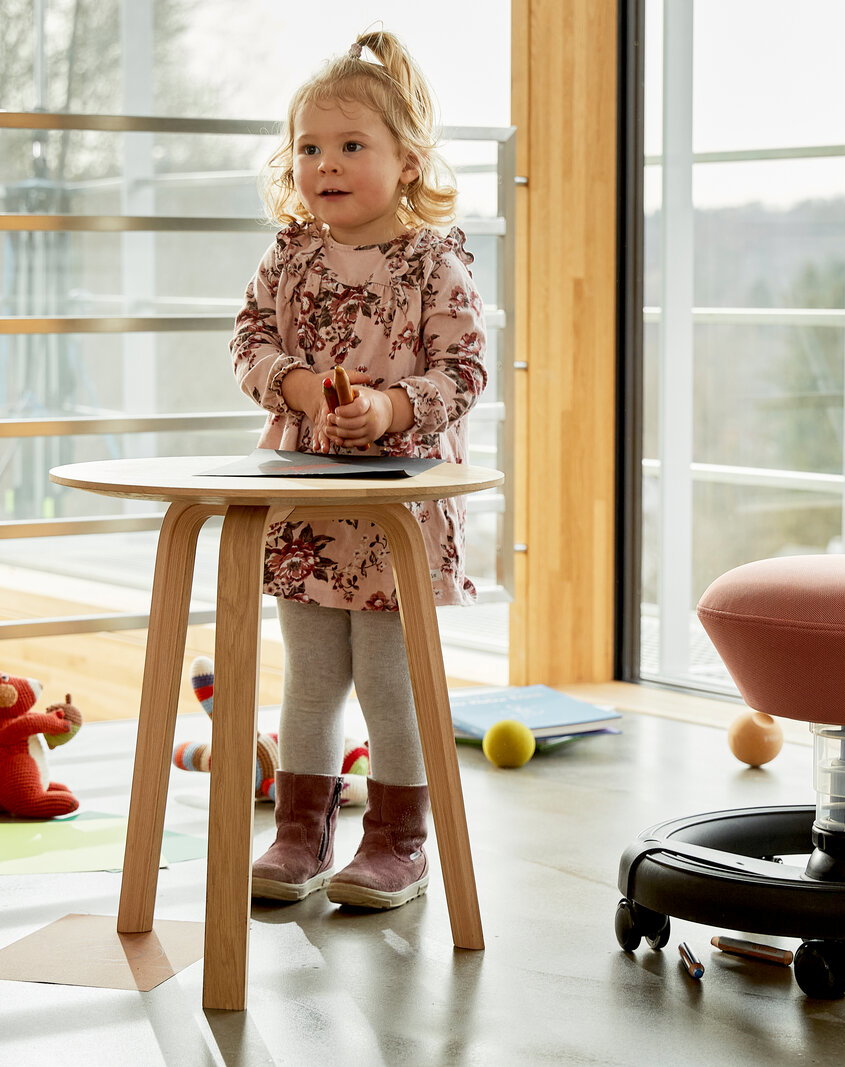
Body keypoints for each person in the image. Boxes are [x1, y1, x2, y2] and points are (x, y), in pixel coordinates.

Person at [230, 28, 486, 911]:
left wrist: (388, 409)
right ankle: (299, 833)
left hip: (395, 511)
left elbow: (464, 372)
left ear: (408, 161)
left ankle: (398, 842)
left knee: (388, 680)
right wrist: (298, 386)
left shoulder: (434, 262)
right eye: (308, 148)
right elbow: (248, 341)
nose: (324, 165)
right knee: (309, 677)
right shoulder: (289, 256)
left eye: (349, 146)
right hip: (306, 501)